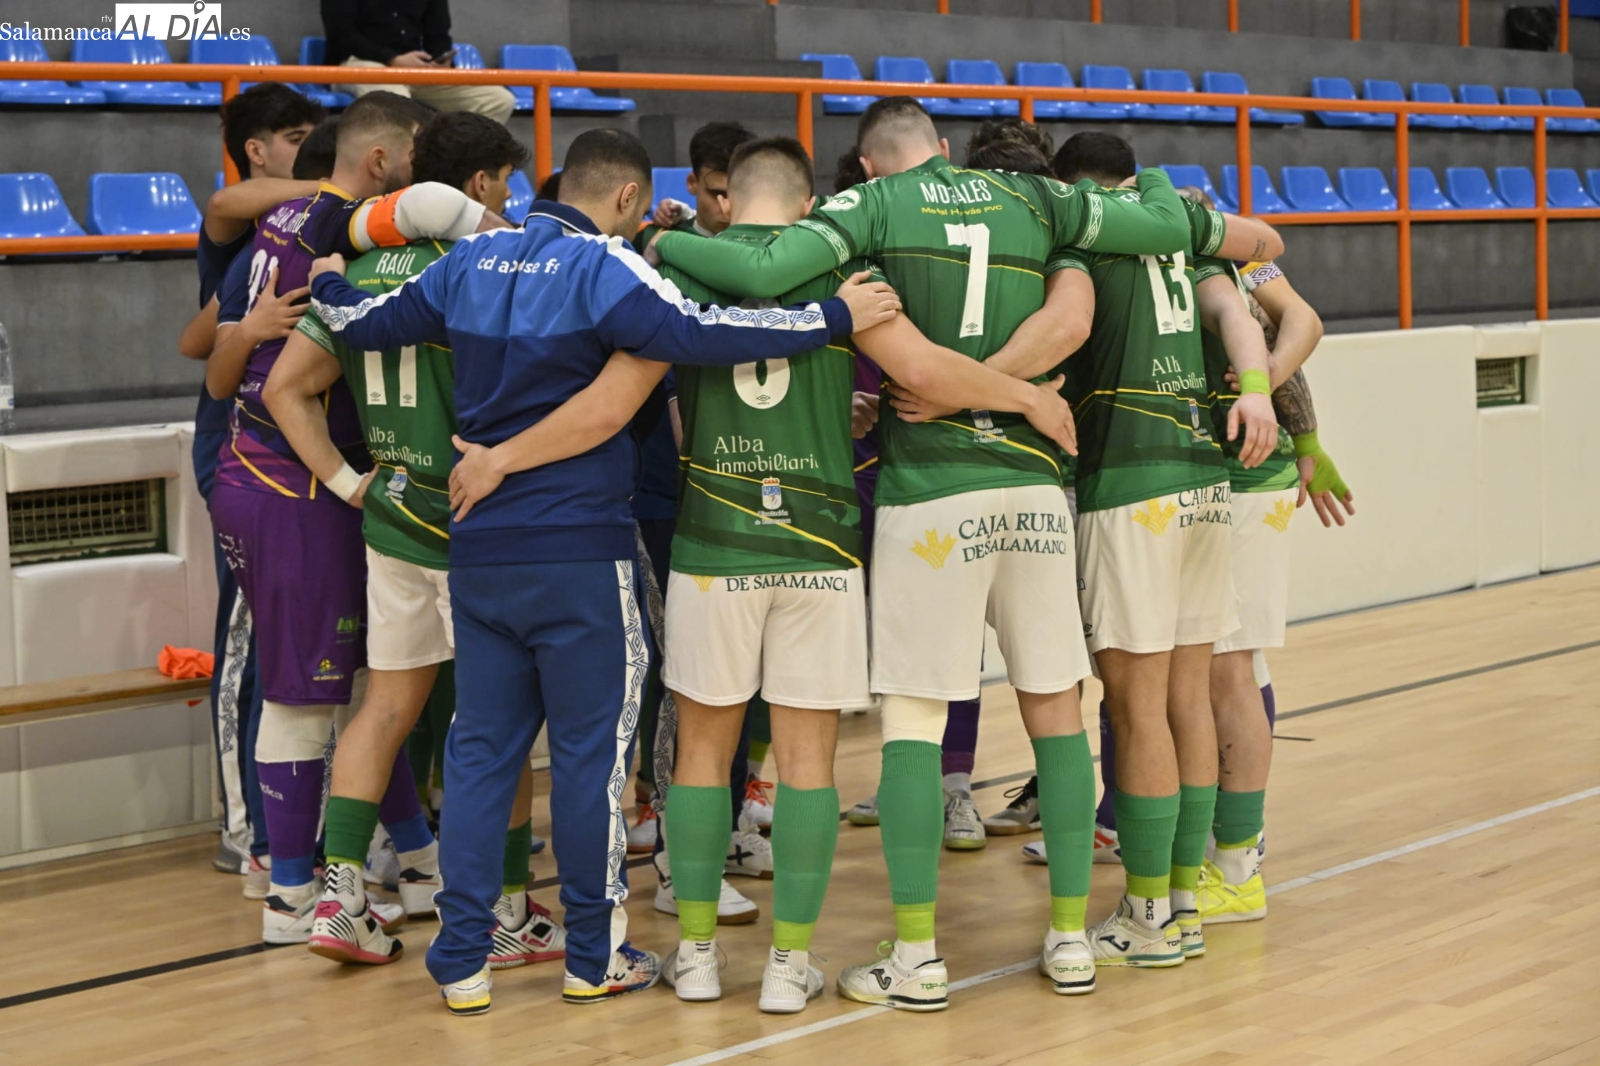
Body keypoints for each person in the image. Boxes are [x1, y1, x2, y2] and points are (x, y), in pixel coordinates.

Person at [305, 127, 904, 1015]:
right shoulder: (605, 267)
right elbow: (703, 330)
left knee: (479, 755)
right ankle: (593, 957)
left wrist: (326, 276)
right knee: (590, 764)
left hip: (479, 550)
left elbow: (361, 322)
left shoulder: (469, 261)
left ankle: (462, 962)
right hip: (580, 552)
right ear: (628, 198)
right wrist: (834, 318)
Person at [649, 97, 1198, 1008]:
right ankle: (1071, 939)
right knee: (1057, 714)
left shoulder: (860, 226)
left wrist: (658, 236)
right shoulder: (1032, 202)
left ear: (865, 168)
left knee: (906, 722)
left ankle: (909, 957)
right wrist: (1026, 397)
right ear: (943, 149)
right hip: (1030, 490)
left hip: (903, 501)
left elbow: (900, 359)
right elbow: (1086, 309)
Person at [264, 111, 567, 970]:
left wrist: (348, 482)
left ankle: (341, 900)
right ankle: (506, 912)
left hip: (393, 513)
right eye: (503, 182)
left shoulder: (359, 265)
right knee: (499, 723)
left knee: (387, 707)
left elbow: (285, 389)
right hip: (472, 516)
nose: (509, 197)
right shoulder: (481, 262)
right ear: (478, 185)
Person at [207, 91, 503, 946]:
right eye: (415, 151)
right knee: (308, 696)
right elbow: (434, 206)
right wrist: (344, 482)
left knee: (367, 693)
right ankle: (290, 893)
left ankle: (415, 859)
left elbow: (213, 362)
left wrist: (246, 332)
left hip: (265, 469)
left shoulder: (286, 220)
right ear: (381, 161)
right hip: (294, 482)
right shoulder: (345, 223)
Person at [1043, 131, 1278, 968]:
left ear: (1075, 189)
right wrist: (1258, 391)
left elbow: (1064, 331)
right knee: (1187, 702)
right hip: (1206, 480)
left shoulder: (1080, 239)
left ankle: (1145, 917)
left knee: (1137, 708)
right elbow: (1242, 314)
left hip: (1130, 484)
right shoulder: (1186, 237)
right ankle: (1183, 902)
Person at [175, 83, 324, 890]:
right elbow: (222, 203)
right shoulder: (245, 222)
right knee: (247, 639)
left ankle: (303, 823)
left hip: (297, 459)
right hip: (237, 454)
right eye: (295, 136)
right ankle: (243, 826)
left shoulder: (306, 227)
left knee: (301, 645)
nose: (308, 148)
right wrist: (336, 182)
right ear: (259, 149)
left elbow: (196, 332)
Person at [322, 0, 515, 123]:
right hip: (356, 63)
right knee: (397, 101)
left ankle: (462, 167)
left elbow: (438, 35)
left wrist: (441, 61)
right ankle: (402, 173)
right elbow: (341, 35)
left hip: (414, 67)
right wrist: (391, 59)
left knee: (498, 100)